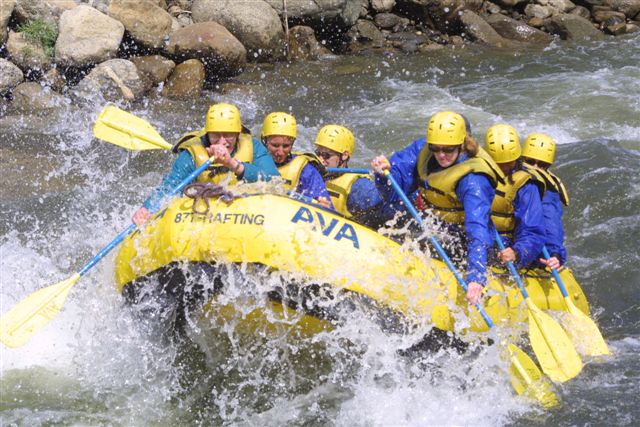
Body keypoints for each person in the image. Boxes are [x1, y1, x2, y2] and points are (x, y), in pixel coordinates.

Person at [371, 111, 504, 305]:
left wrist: (476, 278)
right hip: (433, 222)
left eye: (448, 150)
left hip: (462, 237)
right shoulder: (423, 151)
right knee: (377, 211)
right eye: (436, 148)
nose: (441, 155)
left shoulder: (473, 181)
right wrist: (384, 174)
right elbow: (394, 192)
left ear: (462, 144)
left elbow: (478, 228)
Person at [132, 103, 280, 226]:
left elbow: (274, 181)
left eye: (228, 135)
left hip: (245, 215)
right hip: (205, 215)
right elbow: (170, 187)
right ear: (207, 134)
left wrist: (232, 164)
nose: (222, 141)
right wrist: (147, 209)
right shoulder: (192, 153)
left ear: (237, 133)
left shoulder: (253, 146)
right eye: (215, 135)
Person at [484, 124, 546, 269]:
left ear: (517, 158)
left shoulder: (526, 186)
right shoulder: (474, 172)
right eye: (498, 164)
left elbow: (532, 229)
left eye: (508, 163)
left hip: (502, 242)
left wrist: (517, 252)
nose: (503, 169)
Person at [313, 124, 392, 228]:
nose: (320, 159)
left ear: (344, 156)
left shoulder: (359, 187)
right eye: (318, 153)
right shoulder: (309, 173)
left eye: (326, 155)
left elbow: (388, 212)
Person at [261, 112, 333, 208]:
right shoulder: (250, 161)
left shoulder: (306, 169)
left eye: (286, 146)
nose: (280, 152)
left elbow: (325, 206)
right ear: (264, 141)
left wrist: (323, 205)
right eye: (275, 145)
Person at [521, 133, 569, 271]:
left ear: (548, 166)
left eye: (541, 165)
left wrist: (555, 254)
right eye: (530, 162)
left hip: (532, 251)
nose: (535, 167)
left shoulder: (547, 192)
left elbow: (551, 224)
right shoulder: (510, 176)